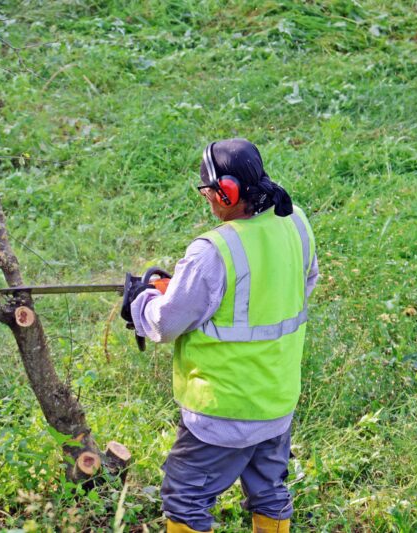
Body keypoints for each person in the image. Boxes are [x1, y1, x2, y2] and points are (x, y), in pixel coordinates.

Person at [128, 139, 319, 533]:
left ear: (226, 192)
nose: (208, 202)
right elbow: (303, 282)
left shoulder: (213, 252)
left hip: (223, 410)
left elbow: (165, 323)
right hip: (276, 400)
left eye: (208, 193)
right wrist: (186, 288)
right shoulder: (295, 221)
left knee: (185, 500)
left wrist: (141, 302)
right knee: (269, 491)